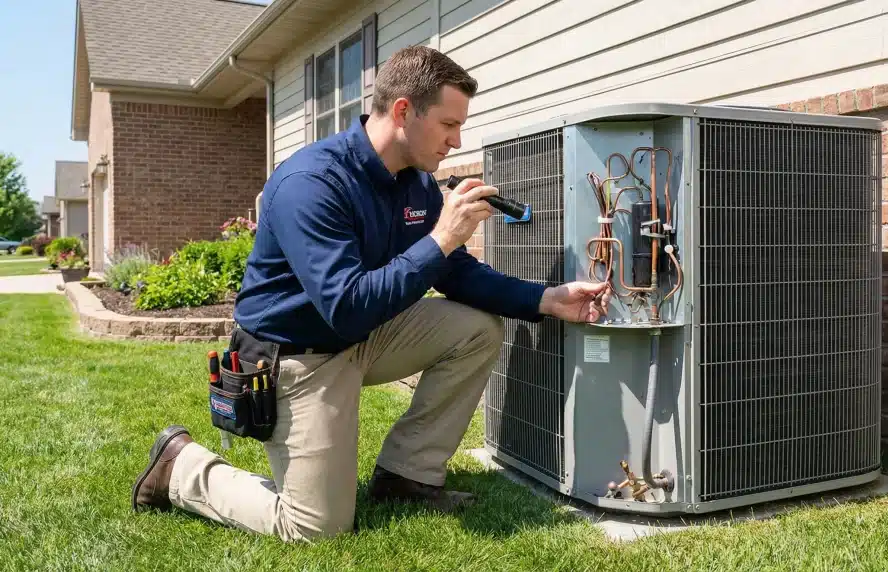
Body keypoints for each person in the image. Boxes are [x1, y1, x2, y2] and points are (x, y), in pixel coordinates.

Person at [129, 45, 610, 542]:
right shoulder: (311, 183)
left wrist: (546, 298)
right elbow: (346, 308)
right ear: (404, 111)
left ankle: (407, 477)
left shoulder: (416, 183)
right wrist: (442, 237)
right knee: (316, 527)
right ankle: (180, 468)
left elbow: (455, 274)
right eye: (448, 125)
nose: (456, 140)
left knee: (475, 329)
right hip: (296, 357)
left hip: (361, 334)